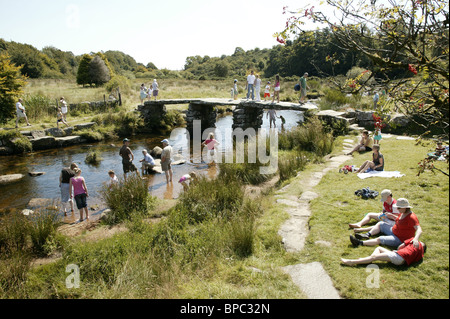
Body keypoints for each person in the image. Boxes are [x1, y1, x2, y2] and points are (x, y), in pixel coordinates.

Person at [349, 198, 423, 249]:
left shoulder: (411, 217)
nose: (397, 209)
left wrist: (416, 239)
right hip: (394, 230)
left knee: (380, 239)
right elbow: (399, 220)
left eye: (399, 208)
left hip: (399, 238)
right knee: (381, 224)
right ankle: (367, 234)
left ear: (405, 207)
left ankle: (360, 243)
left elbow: (419, 229)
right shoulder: (403, 212)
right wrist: (392, 216)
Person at [341, 239, 426, 266]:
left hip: (399, 256)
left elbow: (400, 247)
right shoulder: (420, 253)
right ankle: (368, 260)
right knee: (379, 248)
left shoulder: (414, 241)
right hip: (402, 260)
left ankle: (352, 262)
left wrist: (398, 251)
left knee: (375, 257)